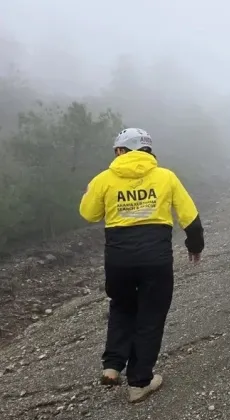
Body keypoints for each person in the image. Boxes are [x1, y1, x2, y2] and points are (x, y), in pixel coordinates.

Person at [79, 128, 204, 403]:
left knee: (122, 305)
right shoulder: (166, 177)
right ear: (147, 150)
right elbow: (190, 217)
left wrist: (91, 193)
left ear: (121, 150)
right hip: (155, 260)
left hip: (118, 260)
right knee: (151, 316)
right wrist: (195, 246)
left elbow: (89, 214)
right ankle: (139, 382)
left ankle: (112, 365)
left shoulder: (104, 179)